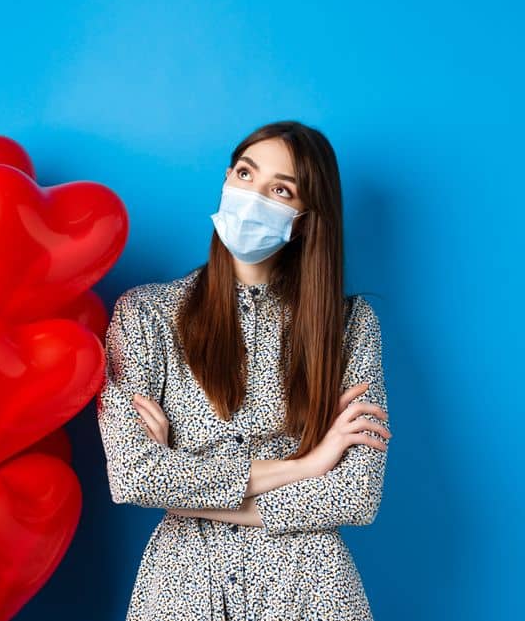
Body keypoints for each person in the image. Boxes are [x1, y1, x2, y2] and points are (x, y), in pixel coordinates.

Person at [96, 120, 390, 620]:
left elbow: (357, 494)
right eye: (245, 173)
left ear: (302, 220)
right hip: (182, 591)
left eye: (279, 189)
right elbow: (132, 477)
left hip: (312, 591)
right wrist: (307, 465)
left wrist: (187, 488)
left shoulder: (349, 326)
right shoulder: (145, 315)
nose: (253, 195)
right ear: (227, 179)